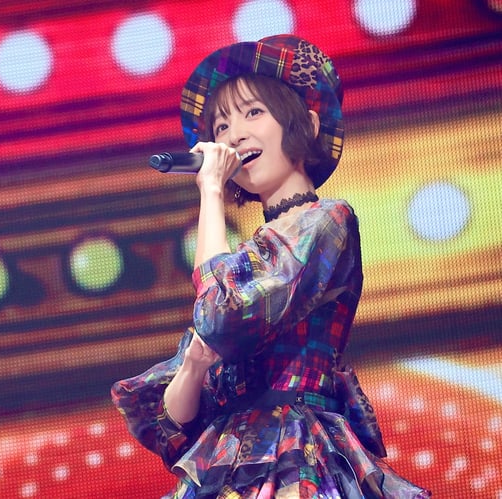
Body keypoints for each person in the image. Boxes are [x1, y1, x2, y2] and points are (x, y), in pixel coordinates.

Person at [111, 35, 431, 498]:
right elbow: (173, 423)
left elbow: (219, 315)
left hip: (298, 452)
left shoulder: (326, 222)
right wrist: (193, 369)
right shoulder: (243, 261)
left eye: (253, 113)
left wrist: (210, 192)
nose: (233, 135)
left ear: (306, 123)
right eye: (221, 126)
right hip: (229, 463)